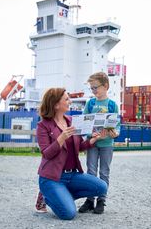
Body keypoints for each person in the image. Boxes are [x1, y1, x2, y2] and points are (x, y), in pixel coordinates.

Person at [36, 87, 108, 220]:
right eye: (66, 99)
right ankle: (47, 196)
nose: (70, 101)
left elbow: (79, 146)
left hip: (72, 175)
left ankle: (60, 196)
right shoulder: (43, 125)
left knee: (101, 187)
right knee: (68, 214)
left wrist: (92, 139)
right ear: (56, 104)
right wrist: (61, 138)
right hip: (52, 177)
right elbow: (46, 154)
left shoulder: (72, 121)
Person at [79, 72, 120, 214]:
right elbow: (84, 122)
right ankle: (90, 200)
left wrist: (115, 133)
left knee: (104, 172)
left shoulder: (112, 105)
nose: (94, 91)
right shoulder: (90, 103)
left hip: (107, 144)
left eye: (96, 87)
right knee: (90, 172)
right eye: (92, 88)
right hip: (92, 143)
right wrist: (91, 135)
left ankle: (101, 200)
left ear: (106, 86)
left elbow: (117, 125)